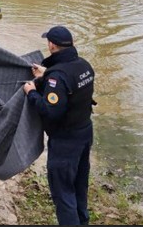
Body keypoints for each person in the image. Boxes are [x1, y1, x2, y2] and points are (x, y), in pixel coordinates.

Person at [22, 26, 96, 225]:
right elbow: (70, 85)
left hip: (65, 141)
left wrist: (31, 92)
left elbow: (50, 111)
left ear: (52, 45)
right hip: (85, 132)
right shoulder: (84, 65)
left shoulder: (57, 76)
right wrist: (45, 74)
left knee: (63, 193)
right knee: (79, 186)